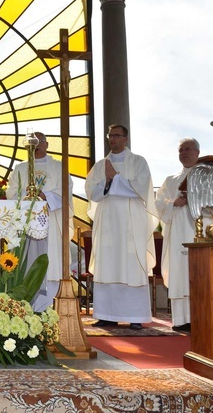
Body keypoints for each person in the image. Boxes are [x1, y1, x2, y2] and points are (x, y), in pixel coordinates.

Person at [85, 124, 157, 329]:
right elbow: (92, 192)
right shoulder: (100, 165)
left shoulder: (138, 162)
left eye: (117, 135)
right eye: (110, 135)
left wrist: (115, 179)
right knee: (108, 264)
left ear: (126, 138)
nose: (112, 139)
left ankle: (136, 316)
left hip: (131, 221)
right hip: (107, 220)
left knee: (131, 264)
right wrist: (107, 183)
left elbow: (141, 188)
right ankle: (107, 314)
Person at [7, 132, 74, 312]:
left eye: (38, 142)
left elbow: (66, 192)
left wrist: (45, 196)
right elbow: (11, 193)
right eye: (31, 142)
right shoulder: (20, 168)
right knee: (25, 260)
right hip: (25, 222)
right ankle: (25, 306)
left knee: (50, 261)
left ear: (46, 144)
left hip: (50, 220)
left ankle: (49, 307)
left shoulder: (59, 167)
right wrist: (27, 196)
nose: (35, 145)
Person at [155, 137, 200, 332]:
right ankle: (181, 320)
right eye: (181, 150)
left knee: (197, 274)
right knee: (179, 273)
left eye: (188, 149)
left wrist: (195, 200)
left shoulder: (205, 177)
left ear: (197, 152)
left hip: (199, 233)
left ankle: (200, 318)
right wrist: (173, 202)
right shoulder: (171, 180)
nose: (184, 153)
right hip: (176, 236)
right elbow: (157, 203)